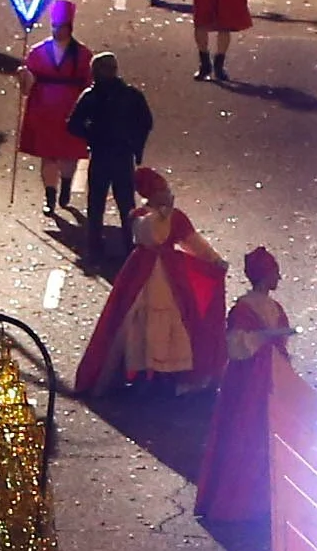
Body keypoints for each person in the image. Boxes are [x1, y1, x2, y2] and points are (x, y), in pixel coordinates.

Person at [72, 167, 225, 396]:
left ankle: (167, 376)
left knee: (173, 320)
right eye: (162, 190)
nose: (167, 193)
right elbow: (151, 235)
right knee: (140, 322)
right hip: (144, 275)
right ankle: (144, 374)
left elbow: (192, 241)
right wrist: (163, 215)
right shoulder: (140, 216)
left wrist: (214, 259)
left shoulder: (175, 217)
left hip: (171, 276)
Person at [198, 248, 294, 532]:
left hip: (274, 374)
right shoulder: (245, 310)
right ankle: (245, 499)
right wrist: (268, 337)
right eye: (275, 272)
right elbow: (238, 346)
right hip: (252, 379)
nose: (279, 277)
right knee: (249, 431)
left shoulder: (269, 306)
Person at [12, 0, 91, 218]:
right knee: (48, 156)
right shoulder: (38, 51)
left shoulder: (83, 54)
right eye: (55, 26)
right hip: (44, 110)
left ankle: (65, 185)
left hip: (70, 110)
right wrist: (24, 77)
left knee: (68, 156)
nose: (58, 30)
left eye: (62, 26)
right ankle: (50, 197)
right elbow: (28, 86)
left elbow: (88, 83)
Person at [68, 53, 152, 250]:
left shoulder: (91, 96)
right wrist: (136, 146)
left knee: (97, 202)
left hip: (102, 154)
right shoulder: (132, 95)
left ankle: (95, 244)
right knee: (125, 203)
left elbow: (73, 124)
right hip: (122, 154)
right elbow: (145, 123)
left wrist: (91, 135)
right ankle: (129, 243)